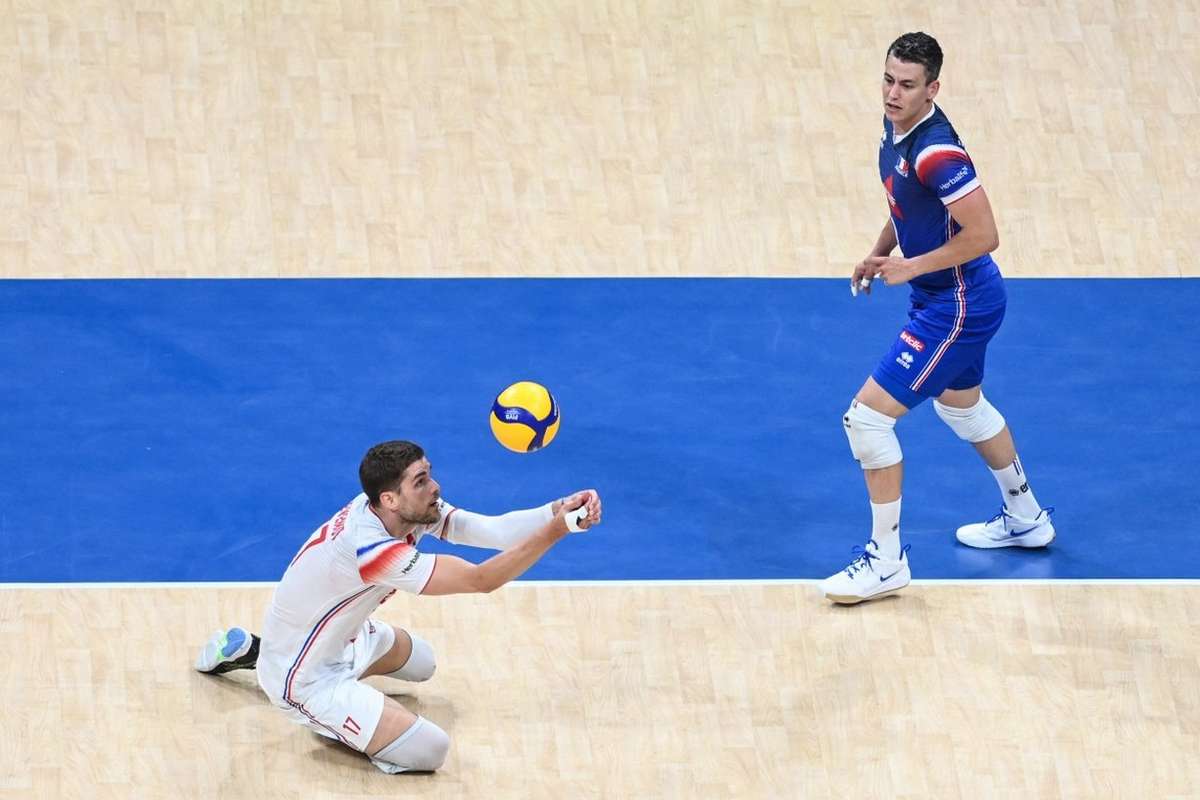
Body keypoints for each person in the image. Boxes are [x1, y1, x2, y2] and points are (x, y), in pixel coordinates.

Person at [194, 439, 602, 773]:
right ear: (389, 498)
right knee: (429, 750)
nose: (435, 487)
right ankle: (288, 680)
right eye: (421, 481)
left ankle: (265, 653)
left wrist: (556, 510)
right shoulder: (371, 549)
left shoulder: (398, 510)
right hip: (304, 678)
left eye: (429, 474)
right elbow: (482, 580)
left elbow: (491, 531)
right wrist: (557, 532)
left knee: (423, 662)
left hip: (344, 639)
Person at [819, 32, 1054, 605]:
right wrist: (882, 252)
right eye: (888, 79)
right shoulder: (895, 131)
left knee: (867, 421)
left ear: (933, 89)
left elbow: (985, 234)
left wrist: (911, 266)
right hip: (946, 298)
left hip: (958, 304)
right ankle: (1026, 518)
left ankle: (886, 562)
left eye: (907, 85)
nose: (893, 93)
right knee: (961, 405)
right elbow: (906, 207)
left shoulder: (937, 152)